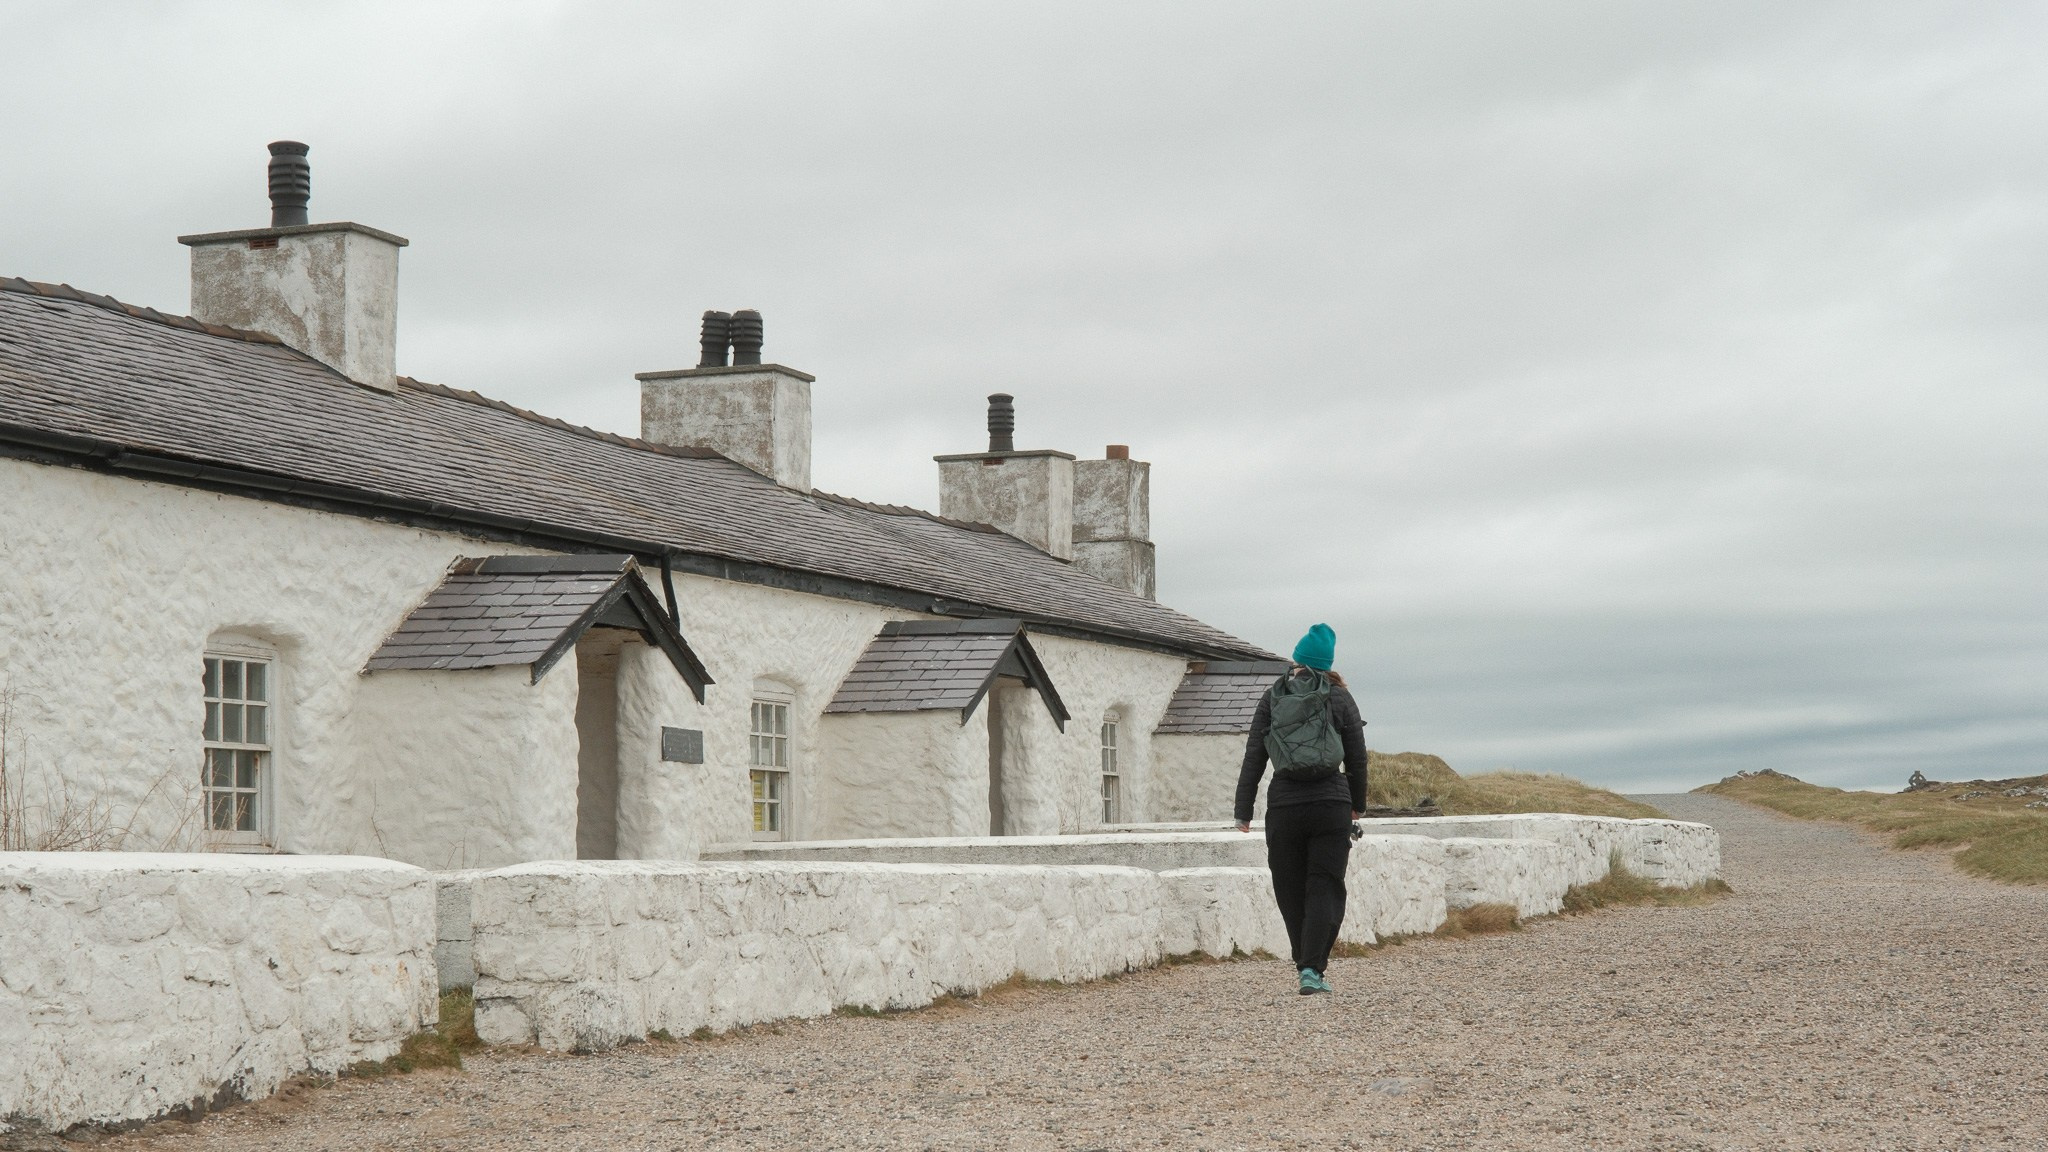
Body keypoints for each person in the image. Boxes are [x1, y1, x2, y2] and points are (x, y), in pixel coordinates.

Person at [1233, 623, 1368, 996]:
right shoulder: (1340, 698)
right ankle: (1313, 968)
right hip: (1331, 802)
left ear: (1296, 659)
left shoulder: (1272, 696)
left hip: (1285, 804)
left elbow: (1254, 755)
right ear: (1328, 663)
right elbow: (1357, 757)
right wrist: (1357, 805)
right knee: (1324, 885)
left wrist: (1243, 810)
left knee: (1289, 887)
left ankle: (1303, 963)